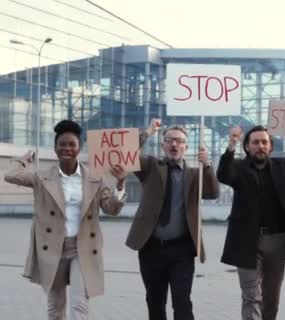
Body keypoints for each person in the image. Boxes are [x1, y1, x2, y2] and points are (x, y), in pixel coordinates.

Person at [4, 119, 127, 320]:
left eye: (72, 144)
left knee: (79, 307)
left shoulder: (94, 178)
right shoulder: (42, 177)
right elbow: (11, 175)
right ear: (55, 148)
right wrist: (23, 160)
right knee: (55, 307)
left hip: (83, 248)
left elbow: (111, 209)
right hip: (53, 248)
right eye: (62, 144)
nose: (67, 148)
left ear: (79, 148)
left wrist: (120, 184)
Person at [124, 119, 220, 320]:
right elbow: (127, 153)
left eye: (179, 141)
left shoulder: (195, 175)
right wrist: (148, 131)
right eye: (169, 140)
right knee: (155, 302)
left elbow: (212, 192)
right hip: (151, 248)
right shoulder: (151, 166)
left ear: (186, 146)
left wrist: (207, 165)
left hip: (182, 251)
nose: (174, 144)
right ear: (163, 145)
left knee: (182, 302)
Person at [217, 125, 285, 320]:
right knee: (251, 296)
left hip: (277, 240)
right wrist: (231, 144)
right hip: (246, 241)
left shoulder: (282, 165)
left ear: (270, 146)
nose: (260, 146)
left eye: (264, 142)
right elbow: (223, 174)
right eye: (255, 142)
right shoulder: (238, 168)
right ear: (247, 147)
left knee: (271, 297)